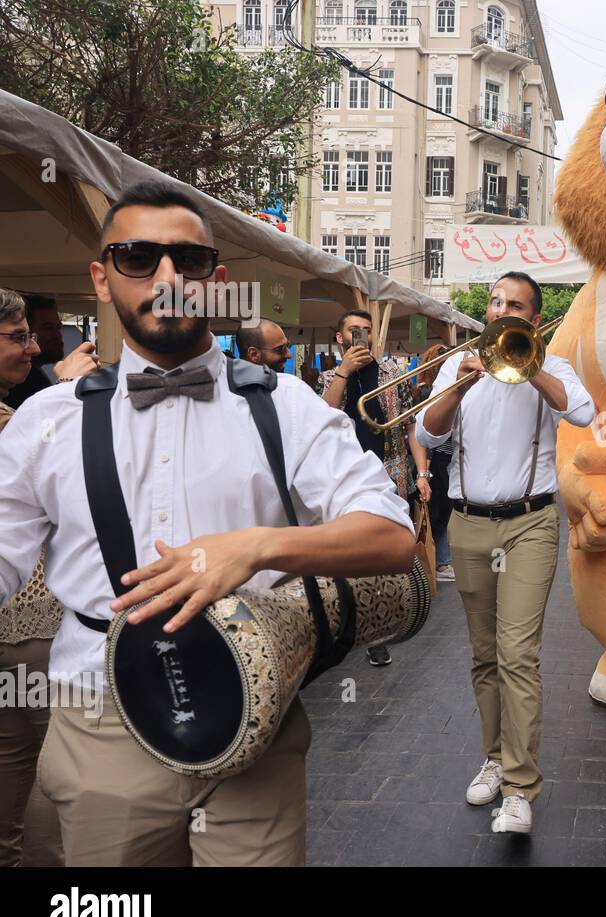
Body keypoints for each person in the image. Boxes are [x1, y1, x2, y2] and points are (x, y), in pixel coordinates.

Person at [0, 180, 416, 866]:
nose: (166, 276)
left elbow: (393, 538)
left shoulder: (288, 405)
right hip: (102, 721)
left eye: (187, 261)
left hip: (258, 717)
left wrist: (256, 546)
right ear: (102, 279)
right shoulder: (47, 420)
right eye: (138, 257)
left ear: (215, 281)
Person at [416, 271, 594, 835]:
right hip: (469, 524)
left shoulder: (551, 363)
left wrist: (532, 366)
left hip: (530, 524)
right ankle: (493, 758)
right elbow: (427, 433)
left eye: (513, 306)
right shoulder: (456, 367)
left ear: (533, 319)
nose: (499, 311)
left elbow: (583, 413)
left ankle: (520, 786)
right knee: (485, 654)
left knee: (518, 654)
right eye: (495, 302)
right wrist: (460, 386)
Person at [317, 309, 430, 666]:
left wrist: (423, 473)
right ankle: (346, 620)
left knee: (382, 555)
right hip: (343, 480)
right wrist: (345, 372)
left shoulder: (393, 373)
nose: (362, 337)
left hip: (391, 475)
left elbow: (411, 426)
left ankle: (377, 632)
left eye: (367, 331)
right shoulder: (327, 378)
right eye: (354, 331)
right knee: (347, 555)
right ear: (340, 338)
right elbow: (320, 419)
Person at [0, 287, 65, 866]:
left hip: (26, 617)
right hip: (24, 616)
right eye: (18, 336)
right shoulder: (15, 421)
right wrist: (65, 391)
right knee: (46, 758)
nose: (34, 347)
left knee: (18, 757)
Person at [3, 295, 99, 408]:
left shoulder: (28, 376)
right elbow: (34, 422)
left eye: (58, 327)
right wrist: (65, 384)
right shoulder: (20, 382)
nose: (57, 335)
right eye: (47, 328)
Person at [416, 343, 455, 582]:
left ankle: (443, 560)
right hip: (436, 459)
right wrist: (425, 468)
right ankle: (441, 562)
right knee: (439, 512)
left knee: (443, 511)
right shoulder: (427, 390)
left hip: (444, 457)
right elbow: (423, 433)